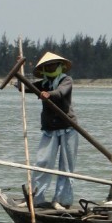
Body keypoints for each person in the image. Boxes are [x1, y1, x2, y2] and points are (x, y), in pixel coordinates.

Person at [26, 51, 79, 210]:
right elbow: (25, 87)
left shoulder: (66, 80)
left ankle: (61, 200)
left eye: (53, 65)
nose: (51, 68)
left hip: (68, 127)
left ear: (60, 66)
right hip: (50, 128)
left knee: (66, 166)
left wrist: (49, 94)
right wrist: (19, 77)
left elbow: (61, 92)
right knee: (43, 162)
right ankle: (37, 197)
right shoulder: (43, 83)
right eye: (47, 66)